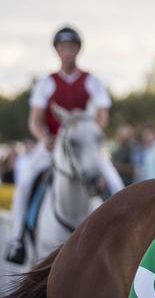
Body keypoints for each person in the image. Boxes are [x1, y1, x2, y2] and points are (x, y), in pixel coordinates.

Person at [5, 26, 125, 265]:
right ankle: (18, 238)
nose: (67, 52)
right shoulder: (46, 83)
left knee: (115, 182)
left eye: (71, 47)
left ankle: (123, 234)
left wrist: (91, 133)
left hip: (84, 145)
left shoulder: (92, 81)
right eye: (63, 47)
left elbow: (102, 116)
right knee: (26, 181)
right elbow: (35, 120)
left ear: (77, 50)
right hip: (54, 144)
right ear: (57, 51)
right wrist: (44, 138)